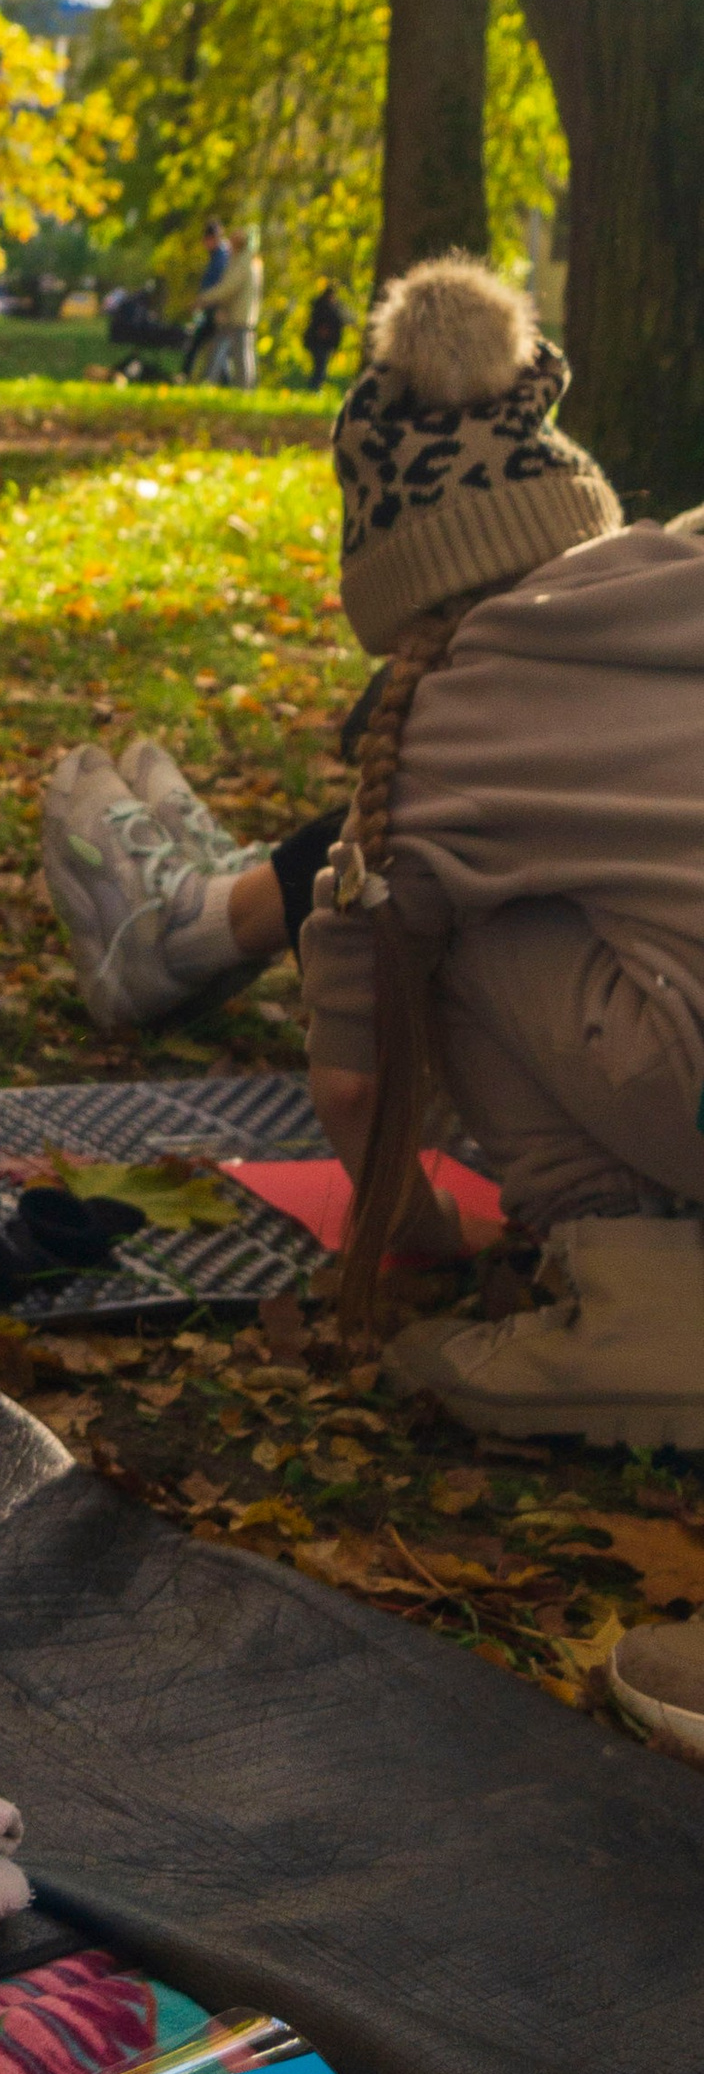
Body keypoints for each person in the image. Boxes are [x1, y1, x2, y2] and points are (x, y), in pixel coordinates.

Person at [295, 259, 704, 1441]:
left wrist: (423, 1237)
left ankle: (642, 1304)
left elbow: (354, 1082)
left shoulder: (443, 729)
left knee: (463, 936)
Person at [199, 224, 262, 387]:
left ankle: (242, 387)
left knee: (240, 355)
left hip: (238, 316)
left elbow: (228, 287)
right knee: (227, 351)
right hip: (236, 314)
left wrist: (204, 298)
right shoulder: (246, 260)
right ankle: (213, 382)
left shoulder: (244, 261)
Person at [180, 220, 229, 377]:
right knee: (215, 348)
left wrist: (201, 301)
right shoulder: (218, 256)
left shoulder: (221, 258)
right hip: (210, 307)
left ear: (212, 238)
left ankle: (185, 374)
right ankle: (225, 382)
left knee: (199, 342)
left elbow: (218, 287)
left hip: (214, 309)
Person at [303, 277, 347, 387]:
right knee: (320, 366)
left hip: (325, 342)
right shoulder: (323, 308)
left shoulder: (333, 307)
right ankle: (314, 387)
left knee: (321, 366)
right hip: (319, 342)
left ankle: (315, 387)